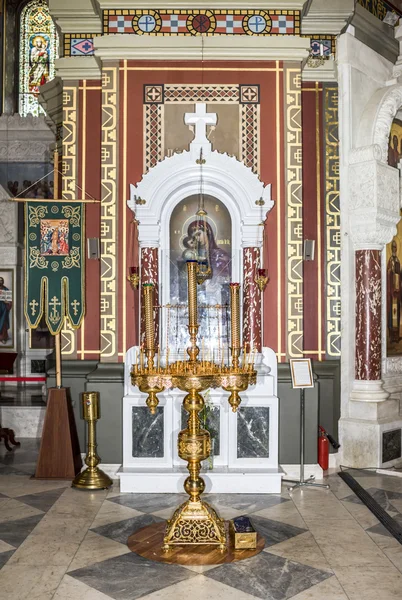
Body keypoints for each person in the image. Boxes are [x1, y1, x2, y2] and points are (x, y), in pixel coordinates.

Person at [387, 239, 402, 343]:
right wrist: (390, 272)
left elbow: (399, 274)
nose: (394, 249)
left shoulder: (397, 260)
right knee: (392, 315)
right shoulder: (390, 260)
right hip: (391, 292)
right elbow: (388, 273)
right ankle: (392, 337)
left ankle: (397, 336)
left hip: (397, 292)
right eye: (393, 247)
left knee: (397, 313)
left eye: (395, 247)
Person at [0, 277, 12, 345]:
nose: (0, 282)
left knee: (3, 322)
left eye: (1, 280)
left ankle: (3, 338)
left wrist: (7, 302)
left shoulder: (6, 290)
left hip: (4, 308)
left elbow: (10, 300)